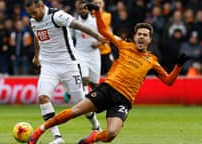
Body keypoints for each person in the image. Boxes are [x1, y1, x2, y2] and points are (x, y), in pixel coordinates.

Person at [27, 3, 190, 144]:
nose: (141, 37)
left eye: (145, 35)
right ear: (134, 36)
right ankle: (40, 130)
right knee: (76, 110)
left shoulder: (152, 60)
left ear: (149, 40)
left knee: (111, 134)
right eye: (139, 34)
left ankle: (92, 139)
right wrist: (98, 12)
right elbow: (105, 31)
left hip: (124, 100)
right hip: (107, 89)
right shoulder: (124, 45)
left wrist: (178, 66)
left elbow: (169, 81)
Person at [24, 1, 106, 144]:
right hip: (48, 66)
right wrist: (37, 56)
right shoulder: (33, 21)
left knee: (81, 102)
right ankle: (57, 137)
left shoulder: (57, 15)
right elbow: (37, 37)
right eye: (30, 14)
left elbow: (77, 25)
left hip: (68, 64)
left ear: (41, 6)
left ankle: (96, 127)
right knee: (43, 97)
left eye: (34, 12)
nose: (32, 16)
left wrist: (97, 36)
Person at [72, 0, 101, 96]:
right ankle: (84, 99)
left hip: (94, 54)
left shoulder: (95, 21)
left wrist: (98, 44)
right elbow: (70, 37)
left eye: (85, 8)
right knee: (84, 78)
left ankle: (93, 102)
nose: (83, 11)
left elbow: (104, 37)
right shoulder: (74, 23)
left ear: (89, 9)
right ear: (78, 10)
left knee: (94, 83)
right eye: (81, 9)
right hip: (80, 53)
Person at [92, 0, 113, 76]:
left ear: (104, 4)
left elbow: (108, 32)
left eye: (99, 3)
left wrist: (100, 42)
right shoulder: (89, 17)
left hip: (105, 50)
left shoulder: (108, 16)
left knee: (110, 74)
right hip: (93, 50)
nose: (98, 5)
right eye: (95, 3)